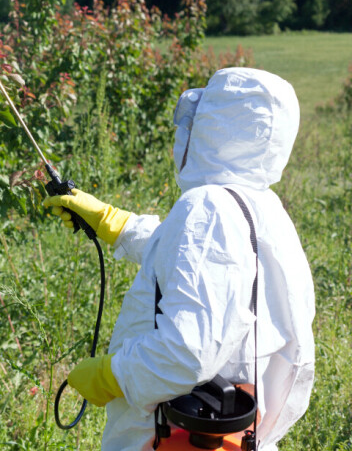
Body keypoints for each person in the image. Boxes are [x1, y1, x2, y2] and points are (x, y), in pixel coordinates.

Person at [43, 68, 315, 450]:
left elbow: (187, 351)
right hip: (235, 433)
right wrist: (114, 223)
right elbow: (199, 262)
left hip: (172, 435)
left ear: (215, 127)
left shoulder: (208, 207)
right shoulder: (263, 208)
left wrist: (112, 374)